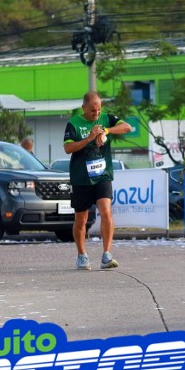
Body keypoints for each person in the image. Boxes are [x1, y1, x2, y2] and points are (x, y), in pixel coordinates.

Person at [63, 92, 132, 270]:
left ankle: (107, 255)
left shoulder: (106, 119)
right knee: (81, 218)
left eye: (99, 109)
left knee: (106, 211)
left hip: (102, 175)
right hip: (81, 178)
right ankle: (82, 256)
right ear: (84, 108)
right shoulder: (74, 123)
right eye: (93, 110)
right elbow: (68, 148)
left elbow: (127, 127)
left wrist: (107, 131)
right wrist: (89, 138)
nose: (97, 113)